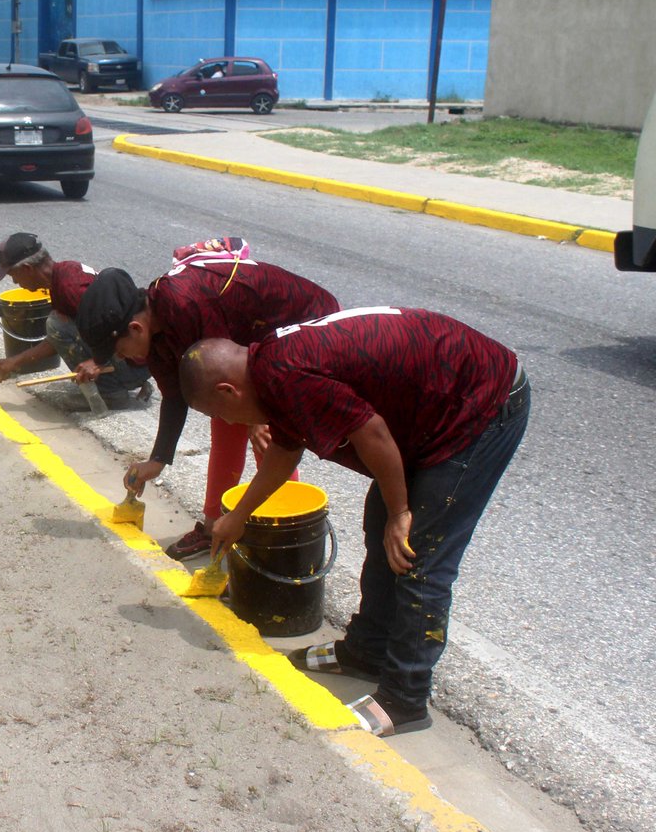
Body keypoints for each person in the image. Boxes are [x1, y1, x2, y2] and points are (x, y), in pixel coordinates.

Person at [178, 307, 530, 736]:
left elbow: (373, 433)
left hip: (478, 406)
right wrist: (238, 516)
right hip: (432, 409)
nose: (233, 424)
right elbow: (285, 450)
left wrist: (402, 513)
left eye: (225, 415)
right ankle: (368, 650)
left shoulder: (285, 375)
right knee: (376, 524)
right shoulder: (268, 368)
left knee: (417, 552)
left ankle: (405, 700)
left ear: (228, 390)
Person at [76, 238, 339, 560]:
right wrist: (157, 460)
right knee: (225, 419)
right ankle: (215, 524)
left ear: (135, 328)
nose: (122, 359)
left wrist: (260, 418)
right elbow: (174, 396)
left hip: (301, 325)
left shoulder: (186, 304)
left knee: (269, 438)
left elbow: (229, 371)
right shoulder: (156, 333)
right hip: (246, 342)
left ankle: (281, 538)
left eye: (119, 351)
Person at [0, 233, 150, 410]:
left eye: (13, 275)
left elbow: (121, 332)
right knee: (58, 325)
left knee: (56, 324)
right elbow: (55, 341)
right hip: (134, 362)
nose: (14, 281)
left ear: (27, 268)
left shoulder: (70, 289)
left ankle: (110, 394)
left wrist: (97, 363)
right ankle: (120, 382)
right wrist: (14, 362)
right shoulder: (64, 273)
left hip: (134, 362)